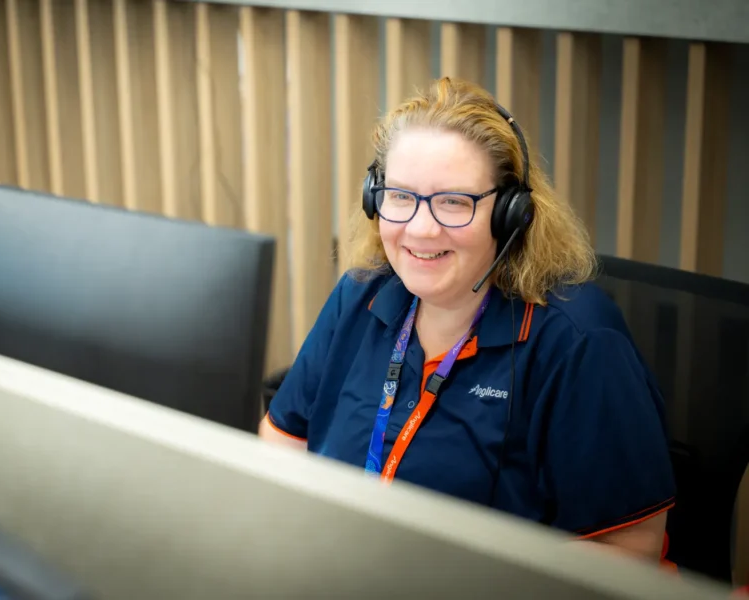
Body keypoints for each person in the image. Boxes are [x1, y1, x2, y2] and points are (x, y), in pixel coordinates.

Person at [259, 77, 675, 563]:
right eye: (400, 196)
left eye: (454, 202)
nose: (420, 227)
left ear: (512, 214)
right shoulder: (361, 294)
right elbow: (283, 440)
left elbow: (629, 547)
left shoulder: (579, 341)